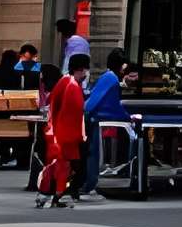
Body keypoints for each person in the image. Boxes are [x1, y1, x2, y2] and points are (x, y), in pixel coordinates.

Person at [35, 53, 89, 209]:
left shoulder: (64, 81)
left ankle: (47, 195)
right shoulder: (73, 86)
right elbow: (73, 114)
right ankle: (58, 195)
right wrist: (80, 137)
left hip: (57, 134)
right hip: (66, 136)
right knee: (64, 168)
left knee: (55, 167)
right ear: (81, 69)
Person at [80, 54, 131, 199]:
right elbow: (97, 103)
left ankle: (88, 184)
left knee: (93, 153)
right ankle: (88, 185)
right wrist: (127, 117)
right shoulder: (110, 78)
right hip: (95, 119)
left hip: (97, 118)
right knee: (93, 153)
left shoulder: (108, 77)